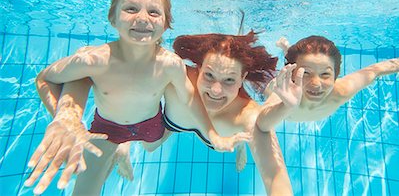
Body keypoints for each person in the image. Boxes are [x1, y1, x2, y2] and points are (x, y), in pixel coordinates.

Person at [24, 0, 248, 195]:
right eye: (131, 9)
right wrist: (63, 118)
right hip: (106, 128)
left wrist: (213, 136)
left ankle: (125, 148)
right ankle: (120, 149)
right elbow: (45, 79)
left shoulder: (169, 64)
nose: (142, 19)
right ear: (112, 17)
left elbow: (189, 99)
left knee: (150, 147)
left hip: (151, 125)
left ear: (166, 23)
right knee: (85, 190)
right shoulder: (93, 60)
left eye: (153, 12)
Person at [63, 31, 293, 195]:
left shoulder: (248, 115)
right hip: (174, 121)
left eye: (229, 80)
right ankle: (126, 146)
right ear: (198, 69)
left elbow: (275, 176)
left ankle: (241, 146)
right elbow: (88, 64)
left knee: (237, 140)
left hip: (224, 135)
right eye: (209, 75)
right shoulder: (177, 76)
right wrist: (68, 115)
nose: (215, 90)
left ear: (242, 79)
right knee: (148, 145)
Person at [256, 35, 399, 129]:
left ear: (336, 75)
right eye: (305, 73)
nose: (316, 84)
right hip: (271, 84)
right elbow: (262, 123)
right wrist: (285, 106)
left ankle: (289, 52)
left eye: (325, 74)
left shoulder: (341, 90)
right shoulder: (281, 94)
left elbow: (376, 70)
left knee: (299, 63)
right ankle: (287, 52)